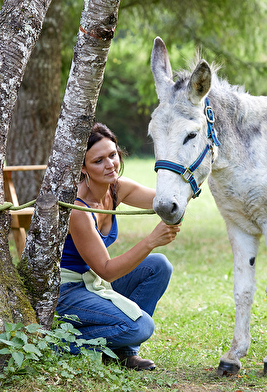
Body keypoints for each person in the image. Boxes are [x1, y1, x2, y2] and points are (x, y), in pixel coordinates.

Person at [56, 122, 181, 371]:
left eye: (112, 155)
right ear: (83, 167)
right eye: (98, 160)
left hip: (93, 283)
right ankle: (58, 343)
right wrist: (151, 241)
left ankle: (125, 352)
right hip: (68, 291)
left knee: (159, 266)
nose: (110, 164)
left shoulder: (116, 189)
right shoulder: (79, 210)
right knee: (141, 327)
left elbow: (165, 199)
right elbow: (107, 270)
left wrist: (191, 174)